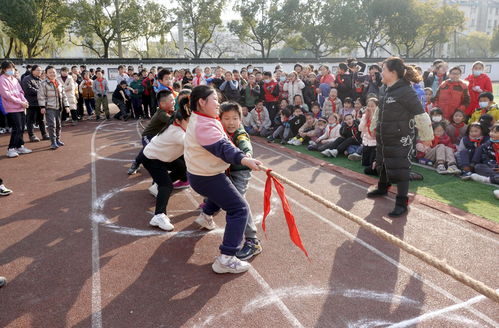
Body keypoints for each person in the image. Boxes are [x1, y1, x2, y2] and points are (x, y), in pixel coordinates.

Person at [184, 85, 262, 274]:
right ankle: (227, 257)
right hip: (207, 176)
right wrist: (245, 159)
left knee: (223, 197)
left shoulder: (203, 118)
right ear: (202, 102)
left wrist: (245, 154)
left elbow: (232, 141)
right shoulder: (204, 124)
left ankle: (206, 215)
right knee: (239, 208)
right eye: (215, 100)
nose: (218, 104)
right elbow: (223, 148)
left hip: (203, 173)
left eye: (234, 118)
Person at [368, 57, 433, 217]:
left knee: (401, 169)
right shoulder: (384, 88)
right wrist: (373, 125)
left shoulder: (406, 91)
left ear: (393, 72)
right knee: (382, 161)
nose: (380, 72)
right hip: (384, 135)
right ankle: (383, 187)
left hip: (400, 137)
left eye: (383, 69)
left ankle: (402, 203)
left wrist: (426, 136)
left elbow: (421, 114)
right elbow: (379, 109)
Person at [138, 96, 191, 231]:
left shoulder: (178, 127)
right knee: (166, 184)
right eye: (188, 121)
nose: (191, 124)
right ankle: (158, 215)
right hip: (152, 159)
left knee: (182, 168)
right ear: (178, 121)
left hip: (162, 157)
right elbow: (193, 144)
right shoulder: (177, 132)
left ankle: (157, 186)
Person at [219, 101, 262, 260]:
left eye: (235, 118)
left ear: (240, 119)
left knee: (239, 202)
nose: (231, 122)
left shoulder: (240, 133)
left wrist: (246, 155)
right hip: (227, 169)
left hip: (241, 171)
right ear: (220, 119)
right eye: (227, 118)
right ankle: (210, 207)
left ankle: (252, 240)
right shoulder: (219, 131)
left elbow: (245, 143)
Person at [0, 60, 32, 158]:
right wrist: (20, 102)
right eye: (9, 69)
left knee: (22, 127)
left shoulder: (14, 79)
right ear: (4, 69)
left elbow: (21, 92)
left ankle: (20, 146)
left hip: (20, 107)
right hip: (11, 108)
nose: (11, 70)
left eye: (13, 68)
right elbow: (7, 95)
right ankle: (11, 148)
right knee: (16, 128)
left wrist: (24, 101)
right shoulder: (2, 79)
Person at [38, 65, 70, 150]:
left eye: (54, 72)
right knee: (52, 125)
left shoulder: (58, 83)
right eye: (50, 72)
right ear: (46, 74)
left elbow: (63, 95)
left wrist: (66, 105)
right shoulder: (43, 84)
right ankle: (53, 142)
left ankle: (58, 140)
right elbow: (41, 96)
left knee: (59, 125)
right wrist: (42, 107)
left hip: (58, 107)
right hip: (49, 107)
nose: (52, 74)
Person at [21, 65, 48, 142]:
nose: (40, 72)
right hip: (31, 103)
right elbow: (28, 90)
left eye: (40, 70)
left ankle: (44, 134)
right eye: (38, 70)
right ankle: (31, 135)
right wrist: (41, 92)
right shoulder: (27, 79)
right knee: (30, 120)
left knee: (41, 120)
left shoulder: (40, 80)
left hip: (40, 103)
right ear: (32, 70)